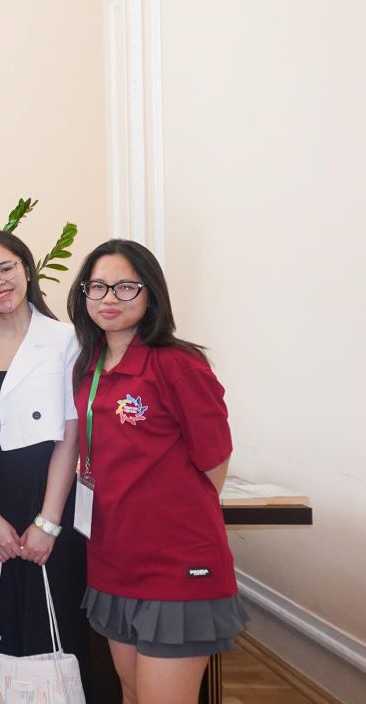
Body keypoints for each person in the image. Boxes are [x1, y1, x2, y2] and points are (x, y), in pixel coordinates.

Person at [66, 239, 247, 704]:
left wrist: (173, 516)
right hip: (112, 559)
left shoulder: (177, 365)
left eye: (126, 286)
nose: (109, 298)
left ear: (151, 295)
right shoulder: (89, 367)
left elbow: (213, 461)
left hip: (176, 564)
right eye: (98, 286)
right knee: (130, 693)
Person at [0, 232, 90, 689]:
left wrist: (48, 523)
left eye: (6, 268)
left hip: (50, 500)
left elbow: (70, 436)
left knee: (57, 631)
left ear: (27, 269)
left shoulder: (67, 339)